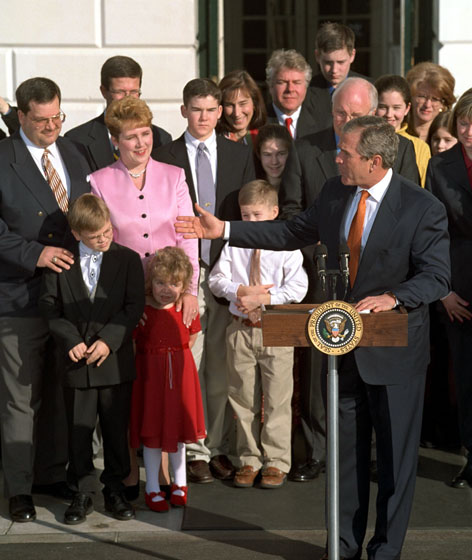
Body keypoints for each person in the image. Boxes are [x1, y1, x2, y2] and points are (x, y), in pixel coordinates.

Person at [176, 116, 450, 560]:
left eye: (346, 153)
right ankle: (341, 548)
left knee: (397, 465)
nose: (337, 158)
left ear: (374, 161)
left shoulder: (422, 207)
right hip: (341, 352)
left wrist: (393, 296)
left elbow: (437, 276)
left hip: (394, 350)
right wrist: (225, 230)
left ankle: (385, 552)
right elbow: (289, 233)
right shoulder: (336, 191)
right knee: (346, 459)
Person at [278, 77, 419, 485]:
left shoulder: (401, 150)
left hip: (380, 288)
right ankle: (320, 451)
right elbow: (292, 217)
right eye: (340, 113)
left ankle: (371, 454)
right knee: (323, 372)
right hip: (324, 276)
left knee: (373, 374)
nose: (345, 120)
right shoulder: (307, 150)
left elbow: (405, 212)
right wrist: (322, 256)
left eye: (355, 115)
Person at [89, 95, 199, 498]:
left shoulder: (173, 175)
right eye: (131, 137)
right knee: (131, 391)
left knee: (169, 388)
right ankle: (132, 471)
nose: (141, 143)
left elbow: (188, 234)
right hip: (126, 303)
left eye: (146, 133)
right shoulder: (99, 181)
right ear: (114, 140)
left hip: (171, 299)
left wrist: (189, 290)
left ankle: (170, 473)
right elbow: (102, 247)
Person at [154, 78, 255, 484]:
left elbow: (245, 217)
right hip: (184, 280)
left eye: (212, 110)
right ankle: (192, 448)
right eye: (197, 109)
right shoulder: (165, 156)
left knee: (220, 369)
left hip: (225, 276)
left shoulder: (238, 154)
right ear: (183, 111)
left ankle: (217, 448)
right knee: (189, 367)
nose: (205, 117)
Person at [0, 77, 90, 522]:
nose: (52, 127)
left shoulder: (73, 152)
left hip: (70, 297)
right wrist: (35, 254)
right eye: (41, 121)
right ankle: (19, 490)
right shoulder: (2, 158)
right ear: (20, 116)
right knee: (21, 397)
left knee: (60, 389)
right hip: (18, 296)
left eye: (58, 117)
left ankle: (52, 473)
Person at [38, 194, 144, 524]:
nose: (104, 239)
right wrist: (69, 340)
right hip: (76, 365)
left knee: (115, 428)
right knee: (77, 431)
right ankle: (82, 491)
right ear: (77, 232)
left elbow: (133, 307)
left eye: (107, 232)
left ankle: (114, 487)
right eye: (96, 235)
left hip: (113, 362)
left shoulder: (127, 259)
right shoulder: (62, 262)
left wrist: (108, 341)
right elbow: (49, 307)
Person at [208, 180, 308, 489]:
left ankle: (276, 461)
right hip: (240, 331)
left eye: (257, 215)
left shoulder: (286, 246)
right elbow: (215, 280)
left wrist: (264, 298)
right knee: (242, 398)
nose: (250, 222)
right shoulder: (234, 245)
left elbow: (299, 288)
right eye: (245, 216)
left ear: (274, 213)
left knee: (278, 398)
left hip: (275, 328)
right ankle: (248, 459)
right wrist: (239, 289)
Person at [131, 247, 206, 511]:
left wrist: (174, 356)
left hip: (180, 379)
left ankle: (180, 483)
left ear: (185, 285)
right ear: (150, 282)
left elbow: (191, 336)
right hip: (150, 379)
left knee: (178, 432)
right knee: (152, 432)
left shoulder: (185, 309)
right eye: (160, 282)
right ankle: (152, 487)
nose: (166, 289)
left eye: (174, 284)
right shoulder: (142, 311)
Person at [426, 89, 472, 489]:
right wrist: (443, 290)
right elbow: (433, 234)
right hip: (460, 286)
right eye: (463, 123)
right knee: (467, 375)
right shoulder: (439, 166)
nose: (469, 131)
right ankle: (470, 457)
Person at [66, 55, 172, 171]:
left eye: (133, 92)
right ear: (104, 91)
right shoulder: (76, 140)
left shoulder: (160, 138)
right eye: (120, 92)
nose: (127, 99)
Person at [303, 22, 370, 134]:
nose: (334, 70)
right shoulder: (304, 92)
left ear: (352, 55)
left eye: (340, 62)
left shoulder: (369, 89)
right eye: (328, 62)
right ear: (317, 56)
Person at [375, 74, 431, 186]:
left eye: (396, 108)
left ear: (407, 108)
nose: (389, 114)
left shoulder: (419, 147)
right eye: (382, 107)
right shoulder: (364, 140)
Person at [265, 49, 316, 139]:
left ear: (306, 86)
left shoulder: (320, 123)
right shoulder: (257, 123)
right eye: (282, 82)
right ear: (270, 86)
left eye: (296, 82)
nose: (290, 89)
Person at [405, 61, 455, 142]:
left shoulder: (453, 135)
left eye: (435, 99)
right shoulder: (398, 131)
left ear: (444, 103)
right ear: (410, 97)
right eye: (422, 96)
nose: (427, 104)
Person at [217, 70, 267, 147]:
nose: (237, 113)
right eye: (230, 105)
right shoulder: (213, 141)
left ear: (254, 103)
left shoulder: (267, 138)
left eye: (242, 104)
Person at [254, 124, 292, 189]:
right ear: (259, 154)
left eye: (281, 154)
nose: (274, 162)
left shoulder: (303, 187)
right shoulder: (249, 186)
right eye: (267, 154)